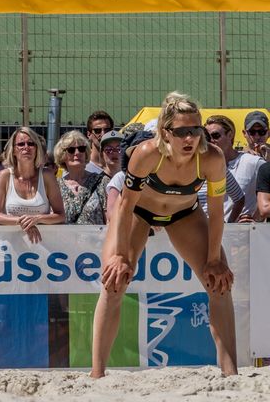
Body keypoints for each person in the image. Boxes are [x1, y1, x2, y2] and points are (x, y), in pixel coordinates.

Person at [92, 91, 236, 378]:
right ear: (165, 132)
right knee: (114, 281)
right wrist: (120, 256)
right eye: (181, 131)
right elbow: (124, 206)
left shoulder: (211, 157)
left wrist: (213, 260)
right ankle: (97, 375)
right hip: (139, 213)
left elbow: (217, 213)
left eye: (195, 130)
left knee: (219, 282)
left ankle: (230, 374)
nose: (190, 138)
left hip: (184, 214)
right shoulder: (147, 154)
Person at [0, 127, 65, 243]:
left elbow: (61, 215)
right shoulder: (4, 176)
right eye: (20, 144)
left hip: (43, 248)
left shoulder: (47, 176)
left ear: (37, 149)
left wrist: (38, 219)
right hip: (9, 249)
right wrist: (24, 221)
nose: (26, 147)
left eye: (31, 144)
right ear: (13, 150)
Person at [205, 115, 264, 221]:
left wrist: (256, 220)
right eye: (207, 138)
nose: (211, 141)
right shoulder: (202, 166)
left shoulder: (253, 162)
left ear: (230, 135)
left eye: (216, 135)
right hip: (209, 232)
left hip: (243, 234)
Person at [54, 131, 109, 225]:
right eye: (71, 150)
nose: (77, 153)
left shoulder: (102, 181)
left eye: (81, 149)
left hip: (96, 239)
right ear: (63, 155)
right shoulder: (55, 186)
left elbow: (109, 220)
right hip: (64, 239)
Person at [85, 110, 115, 174]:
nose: (103, 134)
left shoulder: (120, 165)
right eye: (97, 130)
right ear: (89, 134)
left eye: (107, 130)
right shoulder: (82, 168)